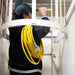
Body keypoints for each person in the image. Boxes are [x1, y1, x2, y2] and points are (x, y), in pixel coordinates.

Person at [8, 0, 50, 75]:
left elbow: (16, 11)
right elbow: (45, 28)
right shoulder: (33, 30)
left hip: (14, 70)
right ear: (25, 16)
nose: (32, 16)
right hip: (32, 70)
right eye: (31, 14)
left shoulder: (12, 27)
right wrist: (44, 15)